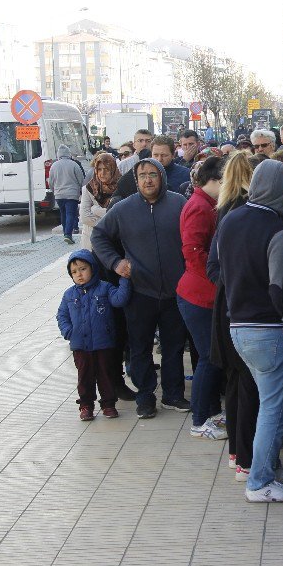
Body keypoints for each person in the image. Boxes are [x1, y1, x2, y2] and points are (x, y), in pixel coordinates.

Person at [214, 159, 283, 501]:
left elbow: (223, 269)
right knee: (273, 408)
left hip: (237, 326)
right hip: (270, 330)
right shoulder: (280, 229)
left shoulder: (230, 218)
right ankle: (260, 482)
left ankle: (270, 466)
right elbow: (278, 286)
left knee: (268, 403)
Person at [91, 157, 190, 418]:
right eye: (142, 175)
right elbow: (99, 236)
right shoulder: (123, 208)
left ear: (162, 177)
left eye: (153, 174)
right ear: (136, 180)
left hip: (175, 291)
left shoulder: (179, 204)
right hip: (139, 291)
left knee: (173, 346)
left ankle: (173, 393)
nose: (147, 179)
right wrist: (115, 262)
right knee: (140, 347)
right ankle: (145, 396)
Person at [208, 149, 264, 479]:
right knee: (247, 385)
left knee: (235, 381)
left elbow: (213, 266)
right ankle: (245, 457)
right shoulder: (245, 212)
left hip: (226, 305)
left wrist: (227, 285)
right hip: (239, 309)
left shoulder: (225, 209)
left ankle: (236, 454)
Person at [177, 156, 227, 441]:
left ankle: (210, 411)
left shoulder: (208, 205)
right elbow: (193, 253)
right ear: (217, 180)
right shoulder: (199, 207)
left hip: (203, 293)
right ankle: (199, 420)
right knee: (208, 357)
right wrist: (218, 279)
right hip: (199, 296)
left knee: (212, 357)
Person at [56, 250, 131, 420]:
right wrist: (68, 331)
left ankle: (108, 404)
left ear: (93, 268)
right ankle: (86, 405)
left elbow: (119, 300)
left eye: (83, 269)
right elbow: (62, 315)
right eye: (74, 272)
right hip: (80, 346)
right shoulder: (69, 295)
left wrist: (125, 279)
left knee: (106, 374)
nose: (79, 274)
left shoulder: (105, 288)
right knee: (84, 377)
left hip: (103, 343)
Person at [80, 153, 120, 251]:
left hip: (115, 241)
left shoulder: (121, 187)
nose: (102, 173)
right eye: (99, 169)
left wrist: (95, 210)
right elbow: (85, 217)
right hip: (91, 238)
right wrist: (109, 225)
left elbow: (121, 215)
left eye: (106, 169)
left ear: (113, 169)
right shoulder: (89, 188)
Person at [48, 144, 85, 244]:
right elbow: (81, 179)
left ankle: (65, 232)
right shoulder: (74, 164)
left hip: (59, 195)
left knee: (63, 214)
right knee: (70, 214)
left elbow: (50, 182)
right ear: (68, 154)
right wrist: (81, 191)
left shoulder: (54, 166)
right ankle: (68, 235)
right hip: (72, 194)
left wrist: (54, 190)